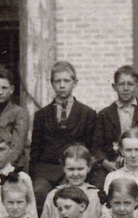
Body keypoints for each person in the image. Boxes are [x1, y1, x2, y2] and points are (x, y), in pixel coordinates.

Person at [28, 61, 99, 205]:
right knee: (39, 192)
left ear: (75, 83)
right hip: (48, 172)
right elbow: (35, 151)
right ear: (51, 83)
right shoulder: (42, 115)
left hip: (76, 170)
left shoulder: (87, 113)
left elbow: (93, 149)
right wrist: (35, 175)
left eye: (66, 80)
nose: (62, 85)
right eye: (57, 81)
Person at [92, 65, 138, 172]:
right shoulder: (104, 114)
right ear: (114, 87)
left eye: (130, 84)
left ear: (137, 86)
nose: (126, 89)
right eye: (121, 84)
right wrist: (105, 163)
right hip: (112, 164)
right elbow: (97, 146)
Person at [42, 143, 105, 218]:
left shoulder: (96, 195)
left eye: (80, 169)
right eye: (71, 169)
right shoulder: (53, 195)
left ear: (89, 168)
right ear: (64, 168)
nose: (75, 174)